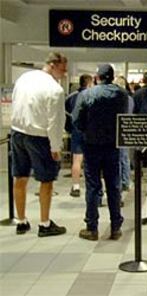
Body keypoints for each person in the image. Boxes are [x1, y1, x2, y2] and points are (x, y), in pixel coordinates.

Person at [11, 52, 67, 237]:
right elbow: (55, 122)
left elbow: (15, 103)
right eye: (62, 68)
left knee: (20, 177)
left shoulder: (25, 78)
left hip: (18, 132)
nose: (64, 72)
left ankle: (21, 220)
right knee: (46, 180)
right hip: (40, 137)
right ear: (52, 65)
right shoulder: (55, 89)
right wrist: (55, 147)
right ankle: (44, 223)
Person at [73, 64, 128, 241]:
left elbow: (77, 120)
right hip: (113, 145)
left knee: (93, 185)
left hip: (92, 145)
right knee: (113, 185)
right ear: (112, 77)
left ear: (97, 77)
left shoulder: (87, 94)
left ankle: (92, 227)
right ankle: (115, 226)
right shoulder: (121, 94)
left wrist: (86, 130)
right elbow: (124, 116)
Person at [64, 74, 93, 197]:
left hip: (76, 131)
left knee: (77, 160)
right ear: (89, 83)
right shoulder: (93, 96)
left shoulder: (71, 97)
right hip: (91, 132)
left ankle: (76, 187)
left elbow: (66, 113)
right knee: (92, 161)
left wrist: (69, 128)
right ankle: (92, 186)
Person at [113, 75, 134, 193]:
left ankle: (121, 182)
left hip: (116, 129)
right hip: (126, 128)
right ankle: (126, 180)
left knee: (118, 158)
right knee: (125, 157)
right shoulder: (130, 99)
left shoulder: (115, 98)